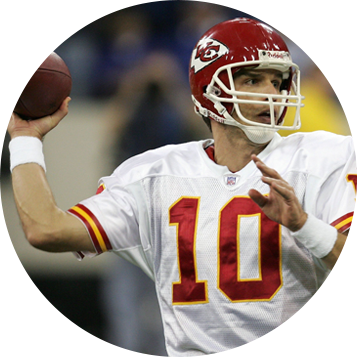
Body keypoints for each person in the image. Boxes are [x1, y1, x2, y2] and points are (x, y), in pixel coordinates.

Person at [7, 18, 355, 355]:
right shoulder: (153, 175)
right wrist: (25, 140)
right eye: (252, 80)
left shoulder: (323, 157)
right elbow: (46, 230)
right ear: (210, 91)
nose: (271, 94)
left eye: (277, 82)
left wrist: (304, 225)